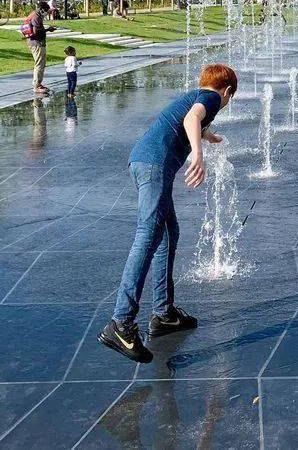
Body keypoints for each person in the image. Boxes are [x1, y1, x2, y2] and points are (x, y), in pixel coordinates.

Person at [98, 63, 237, 364]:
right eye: (229, 98)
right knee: (147, 236)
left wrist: (207, 135)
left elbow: (191, 120)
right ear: (227, 92)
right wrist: (198, 153)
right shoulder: (211, 99)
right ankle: (120, 323)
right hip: (154, 166)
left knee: (165, 234)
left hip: (144, 163)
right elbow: (191, 117)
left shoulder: (199, 96)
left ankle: (163, 314)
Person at [21, 2, 56, 95]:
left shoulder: (35, 14)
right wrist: (48, 30)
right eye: (46, 11)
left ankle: (38, 84)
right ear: (42, 9)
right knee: (39, 64)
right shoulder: (36, 16)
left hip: (37, 42)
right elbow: (36, 32)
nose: (47, 13)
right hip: (36, 43)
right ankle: (37, 86)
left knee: (41, 63)